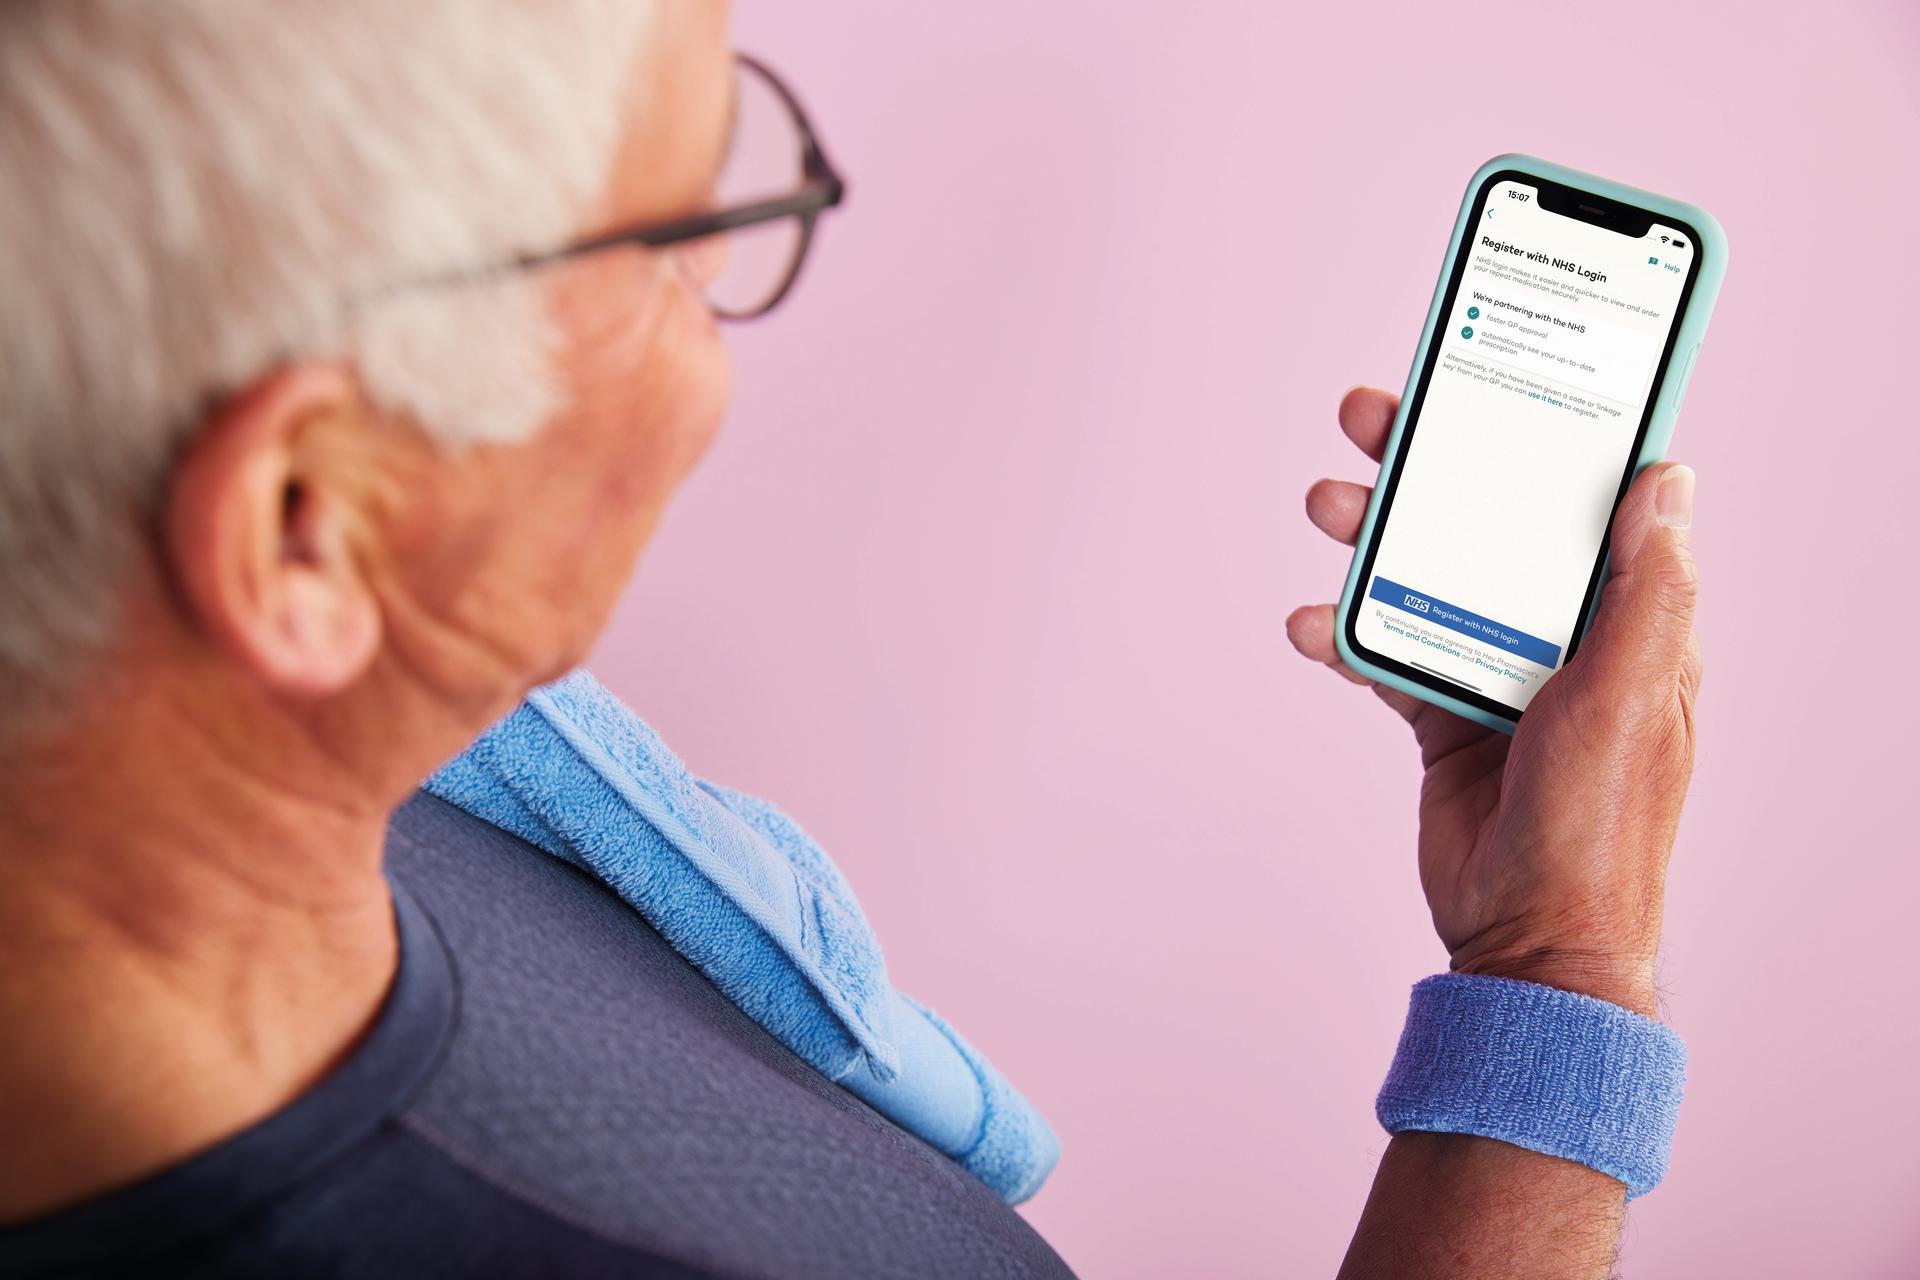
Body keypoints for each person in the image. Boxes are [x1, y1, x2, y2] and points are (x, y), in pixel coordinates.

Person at [0, 3, 1703, 1277]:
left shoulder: (368, 793)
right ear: (305, 527)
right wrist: (1558, 974)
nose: (715, 353)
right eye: (680, 243)